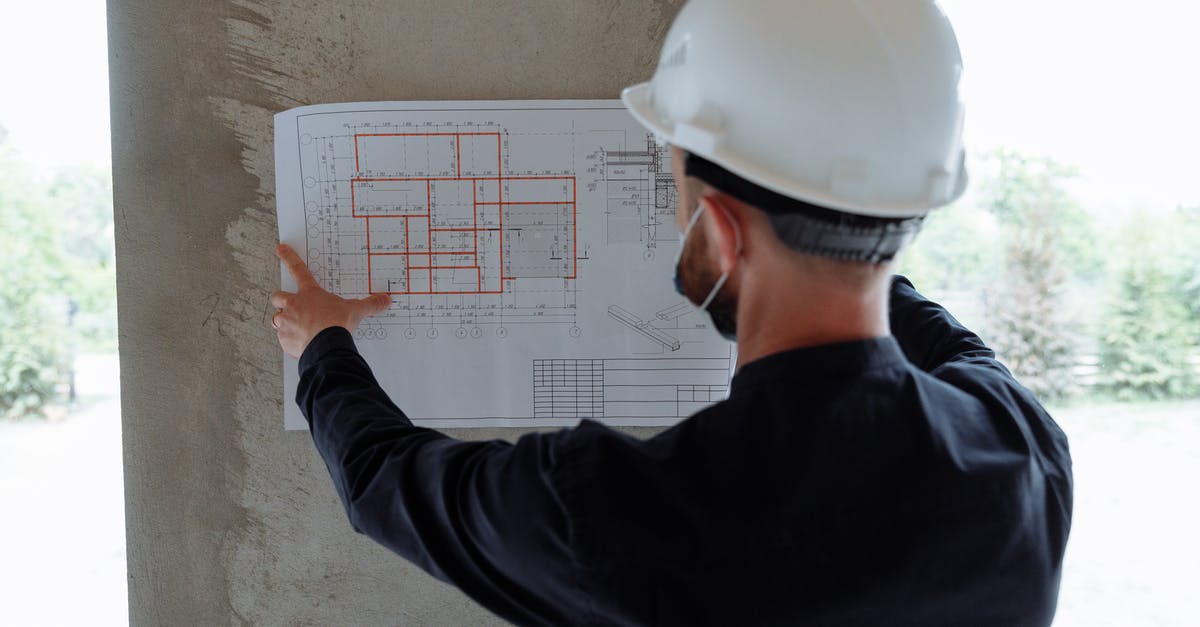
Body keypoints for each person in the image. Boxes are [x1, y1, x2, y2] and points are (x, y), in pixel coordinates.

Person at [269, 0, 1073, 624]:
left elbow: (385, 481)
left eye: (677, 188)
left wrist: (322, 340)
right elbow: (938, 336)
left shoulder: (621, 517)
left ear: (719, 231)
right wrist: (839, 250)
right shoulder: (1021, 449)